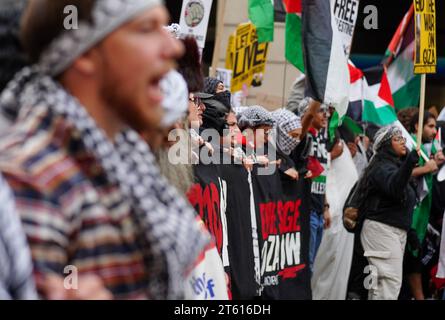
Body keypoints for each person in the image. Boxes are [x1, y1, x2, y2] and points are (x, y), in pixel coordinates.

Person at [0, 0, 210, 299]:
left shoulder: (126, 166)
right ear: (85, 54)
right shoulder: (31, 183)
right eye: (146, 29)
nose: (174, 49)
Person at [360, 125, 419, 300]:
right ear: (386, 145)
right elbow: (394, 187)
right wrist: (409, 164)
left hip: (393, 232)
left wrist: (411, 232)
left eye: (403, 138)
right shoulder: (380, 166)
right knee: (387, 284)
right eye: (397, 138)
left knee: (384, 286)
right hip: (381, 230)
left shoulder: (394, 165)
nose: (403, 141)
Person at [406, 111, 445, 300]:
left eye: (434, 126)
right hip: (409, 215)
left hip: (421, 217)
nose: (434, 130)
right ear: (416, 127)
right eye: (430, 126)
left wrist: (435, 163)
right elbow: (401, 174)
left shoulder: (430, 148)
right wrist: (427, 167)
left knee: (415, 262)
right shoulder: (409, 145)